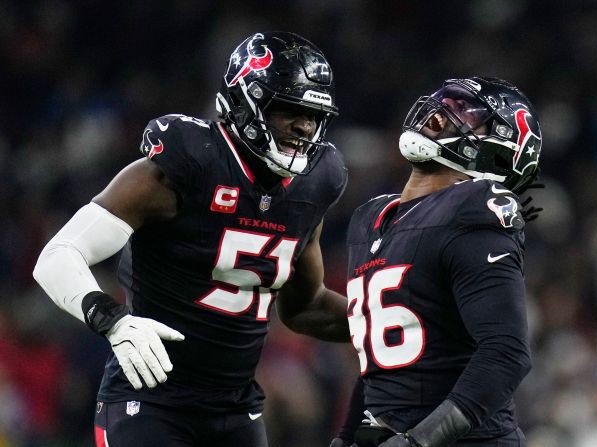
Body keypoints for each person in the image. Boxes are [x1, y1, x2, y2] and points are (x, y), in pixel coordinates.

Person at [33, 31, 349, 447]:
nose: (303, 125)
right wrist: (113, 320)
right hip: (150, 403)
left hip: (236, 411)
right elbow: (57, 256)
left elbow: (305, 306)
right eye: (288, 109)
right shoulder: (188, 163)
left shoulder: (316, 184)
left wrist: (395, 316)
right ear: (245, 102)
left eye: (312, 114)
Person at [331, 77, 542, 447]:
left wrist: (418, 441)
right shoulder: (369, 217)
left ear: (497, 151)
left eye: (467, 113)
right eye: (446, 101)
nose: (441, 113)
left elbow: (506, 352)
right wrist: (345, 437)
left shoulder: (476, 206)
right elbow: (381, 365)